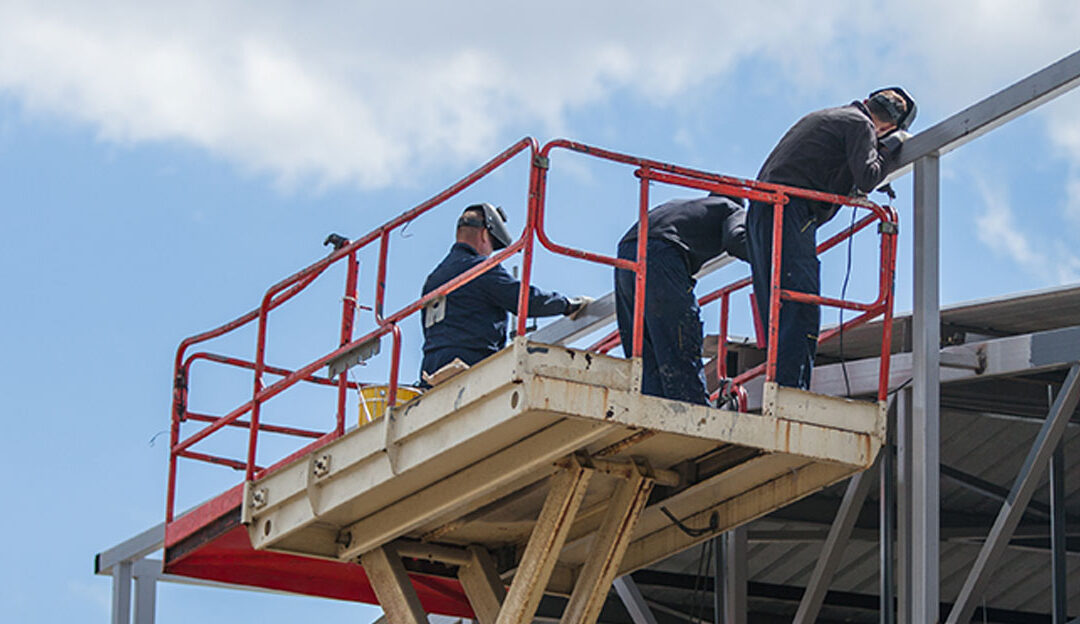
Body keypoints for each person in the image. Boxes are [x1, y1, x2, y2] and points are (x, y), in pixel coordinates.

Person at [746, 87, 916, 389]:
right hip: (791, 208)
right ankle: (789, 389)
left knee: (775, 304)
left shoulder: (829, 116)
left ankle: (777, 381)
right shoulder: (861, 125)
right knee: (801, 304)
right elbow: (868, 176)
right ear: (889, 126)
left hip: (762, 208)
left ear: (868, 100)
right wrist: (889, 148)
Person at [420, 203, 591, 383]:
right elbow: (525, 300)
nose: (490, 253)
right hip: (470, 367)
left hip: (431, 372)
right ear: (485, 234)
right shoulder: (479, 269)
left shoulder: (432, 280)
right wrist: (568, 305)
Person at [614, 194, 749, 405]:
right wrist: (773, 260)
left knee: (643, 350)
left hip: (626, 252)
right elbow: (736, 239)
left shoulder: (682, 205)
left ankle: (650, 408)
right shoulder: (731, 209)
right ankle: (693, 413)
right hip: (662, 254)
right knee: (679, 341)